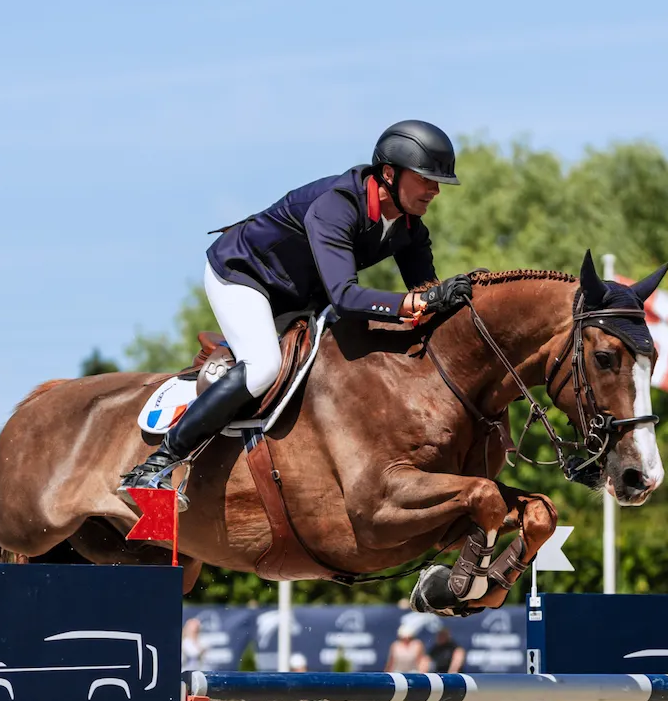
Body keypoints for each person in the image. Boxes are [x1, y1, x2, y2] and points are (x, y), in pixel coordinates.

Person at [118, 121, 471, 503]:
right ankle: (156, 466)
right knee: (264, 366)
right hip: (245, 275)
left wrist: (462, 302)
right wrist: (411, 304)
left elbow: (426, 295)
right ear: (389, 173)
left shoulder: (408, 228)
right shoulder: (336, 206)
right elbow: (346, 296)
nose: (435, 191)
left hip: (300, 293)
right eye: (426, 179)